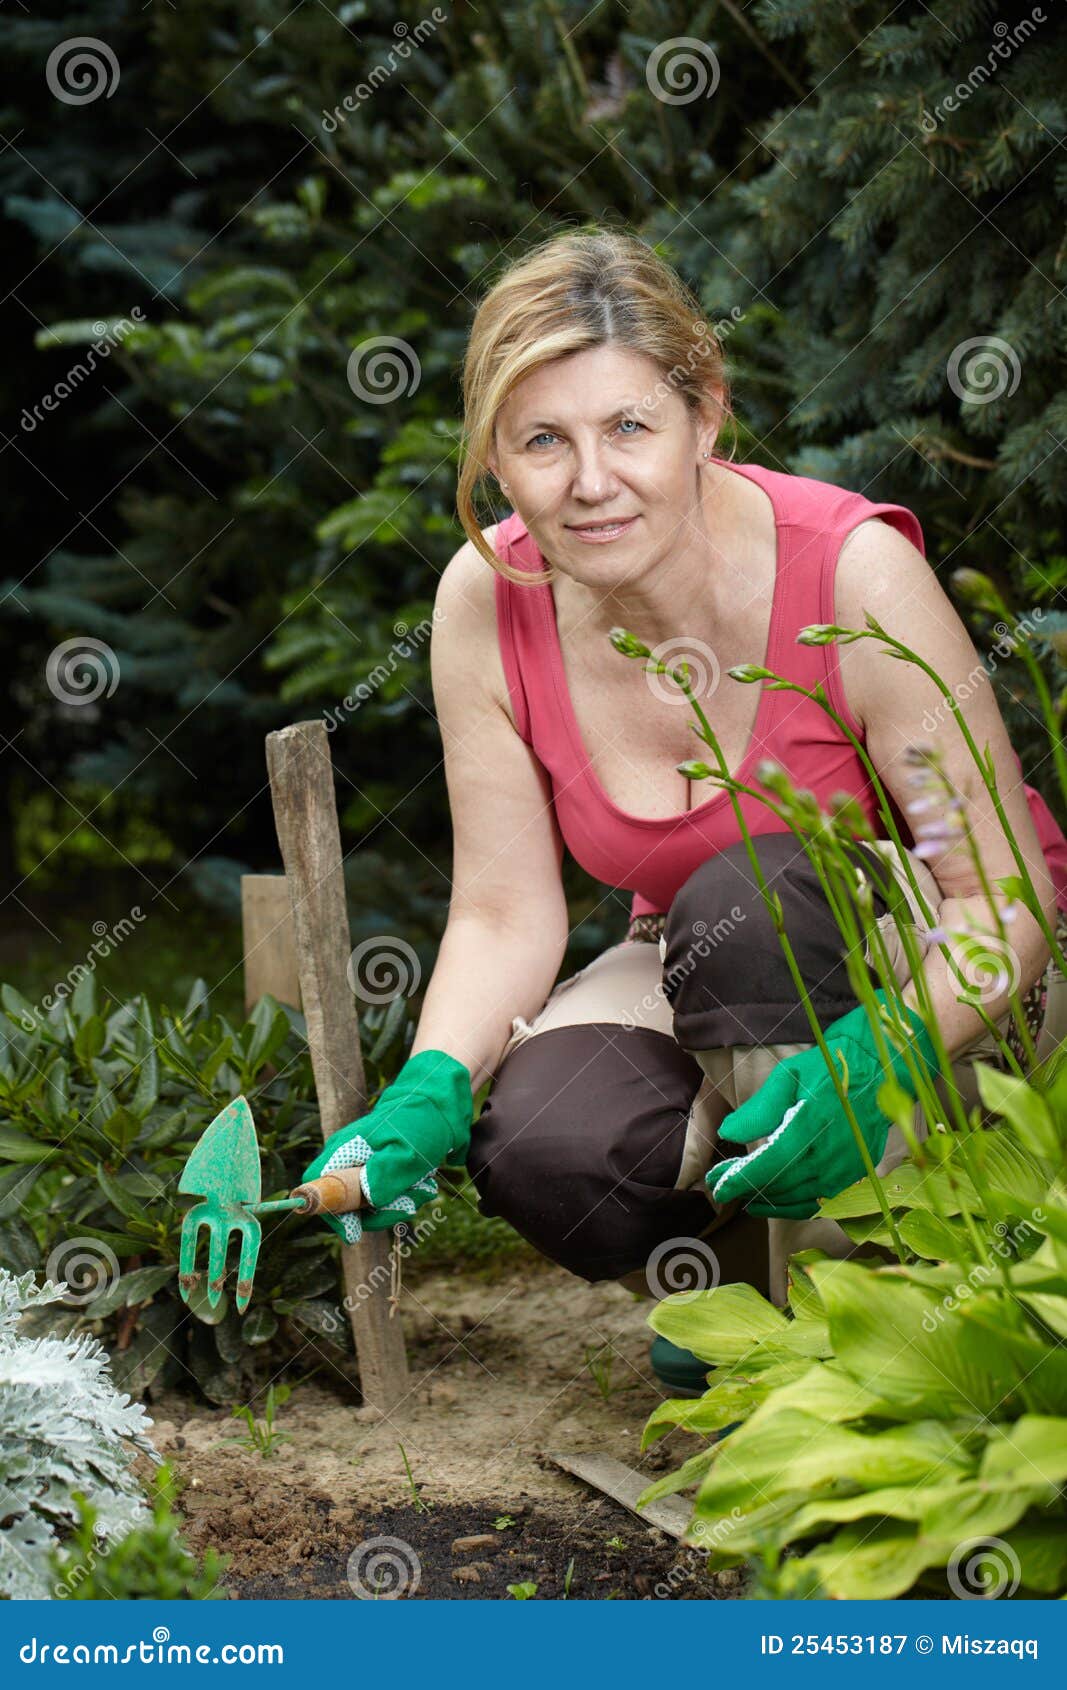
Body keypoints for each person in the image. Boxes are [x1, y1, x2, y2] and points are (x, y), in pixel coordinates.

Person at [301, 227, 1067, 1398]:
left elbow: (1000, 899)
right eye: (542, 441)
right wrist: (429, 1087)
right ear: (495, 458)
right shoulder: (487, 599)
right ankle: (736, 1278)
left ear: (702, 413)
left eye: (627, 427)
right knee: (554, 1143)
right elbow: (506, 912)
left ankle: (835, 1310)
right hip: (703, 963)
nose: (589, 481)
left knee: (753, 895)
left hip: (979, 985)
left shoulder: (850, 573)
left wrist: (884, 1053)